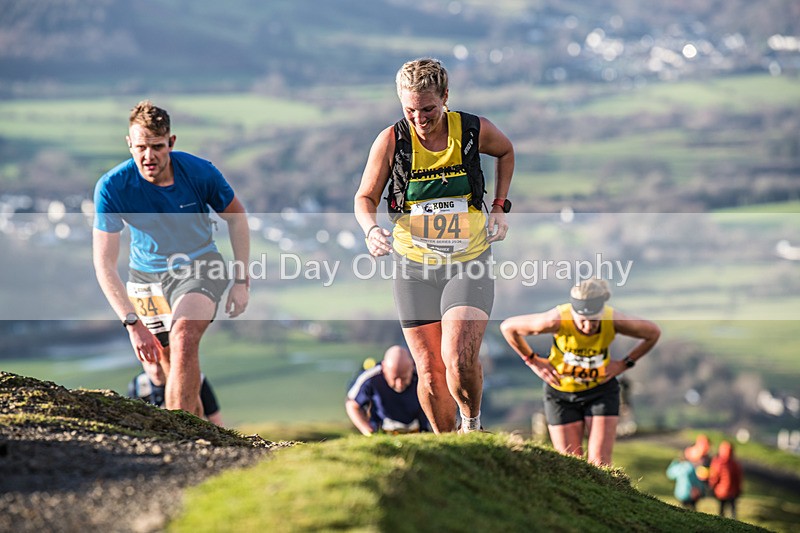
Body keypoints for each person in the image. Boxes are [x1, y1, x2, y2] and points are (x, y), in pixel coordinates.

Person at [354, 57, 515, 433]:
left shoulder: (472, 130)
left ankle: (471, 427)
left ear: (445, 97)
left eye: (428, 109)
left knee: (458, 359)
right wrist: (370, 230)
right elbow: (365, 197)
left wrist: (499, 207)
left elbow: (506, 152)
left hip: (468, 261)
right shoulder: (392, 140)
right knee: (428, 372)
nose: (419, 118)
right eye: (410, 110)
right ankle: (448, 448)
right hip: (413, 268)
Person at [93, 100, 250, 417]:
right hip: (146, 279)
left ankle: (180, 439)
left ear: (171, 143)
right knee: (164, 369)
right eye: (140, 147)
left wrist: (242, 281)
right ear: (129, 143)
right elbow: (104, 263)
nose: (148, 156)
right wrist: (131, 323)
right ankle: (204, 433)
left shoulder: (199, 172)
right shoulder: (112, 187)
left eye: (157, 147)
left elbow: (237, 218)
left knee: (183, 337)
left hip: (201, 266)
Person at [499, 278, 660, 465]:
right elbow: (508, 327)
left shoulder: (613, 319)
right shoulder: (556, 319)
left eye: (593, 321)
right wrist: (532, 360)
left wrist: (625, 363)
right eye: (582, 321)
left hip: (601, 391)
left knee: (600, 462)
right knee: (571, 463)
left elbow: (652, 333)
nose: (587, 326)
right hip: (561, 394)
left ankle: (604, 493)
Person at [346, 346, 431, 435]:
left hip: (419, 431)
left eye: (404, 378)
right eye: (394, 378)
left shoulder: (423, 375)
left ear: (412, 366)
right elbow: (352, 405)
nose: (399, 384)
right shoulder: (370, 377)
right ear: (384, 368)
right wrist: (368, 432)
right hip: (382, 430)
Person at [128, 359, 223, 426]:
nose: (155, 370)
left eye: (160, 364)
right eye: (150, 363)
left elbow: (216, 420)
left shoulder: (197, 380)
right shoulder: (138, 384)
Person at [708, 440, 744, 519]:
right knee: (733, 509)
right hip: (733, 492)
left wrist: (712, 486)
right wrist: (738, 489)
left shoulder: (718, 462)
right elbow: (738, 478)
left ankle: (721, 522)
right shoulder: (735, 464)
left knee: (721, 509)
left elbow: (714, 476)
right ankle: (735, 523)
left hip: (721, 491)